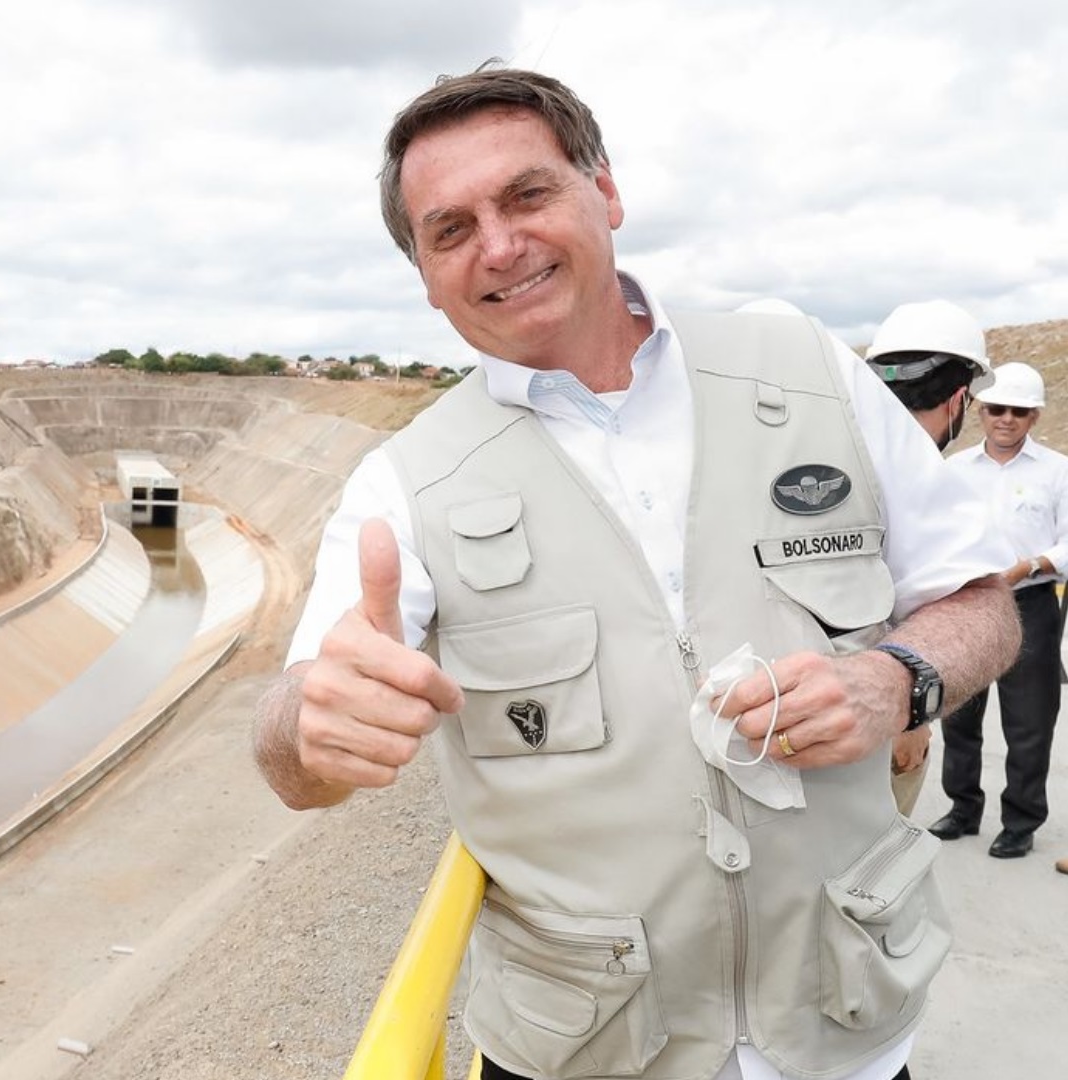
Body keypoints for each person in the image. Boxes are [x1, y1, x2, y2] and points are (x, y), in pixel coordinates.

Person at [252, 66, 1019, 1080]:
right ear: (425, 273)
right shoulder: (402, 486)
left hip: (848, 1030)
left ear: (603, 192)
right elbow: (293, 737)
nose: (500, 245)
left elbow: (982, 605)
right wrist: (311, 726)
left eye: (528, 194)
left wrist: (896, 679)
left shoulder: (808, 369)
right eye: (451, 229)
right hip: (587, 1053)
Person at [860, 299, 999, 814]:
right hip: (880, 714)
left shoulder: (829, 451)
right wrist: (910, 717)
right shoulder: (924, 480)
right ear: (960, 399)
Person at [929, 361, 1068, 859]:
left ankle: (1021, 821)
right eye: (995, 409)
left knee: (1029, 722)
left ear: (1033, 418)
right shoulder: (952, 471)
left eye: (1018, 411)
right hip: (965, 603)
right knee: (959, 716)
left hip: (1029, 604)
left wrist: (1032, 565)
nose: (1005, 418)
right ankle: (963, 810)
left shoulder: (1058, 471)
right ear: (980, 412)